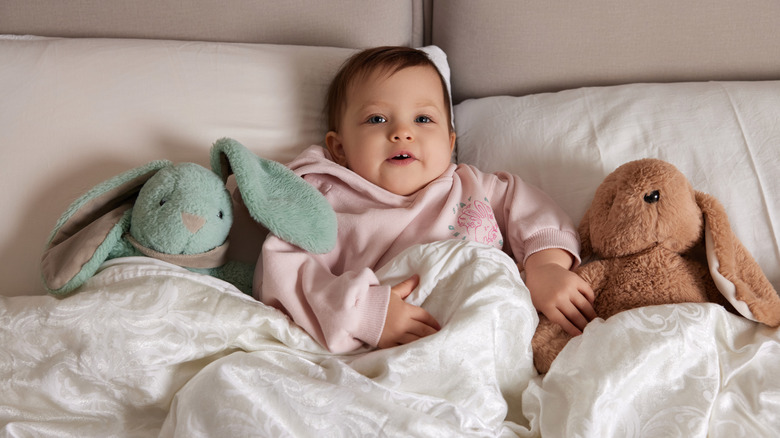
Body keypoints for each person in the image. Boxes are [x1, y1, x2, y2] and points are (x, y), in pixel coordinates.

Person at [256, 46, 596, 353]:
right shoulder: (327, 200)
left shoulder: (471, 185)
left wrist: (546, 267)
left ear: (449, 144)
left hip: (484, 337)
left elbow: (535, 212)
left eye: (423, 119)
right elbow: (285, 273)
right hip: (389, 349)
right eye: (377, 119)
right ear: (340, 148)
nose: (402, 132)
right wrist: (368, 313)